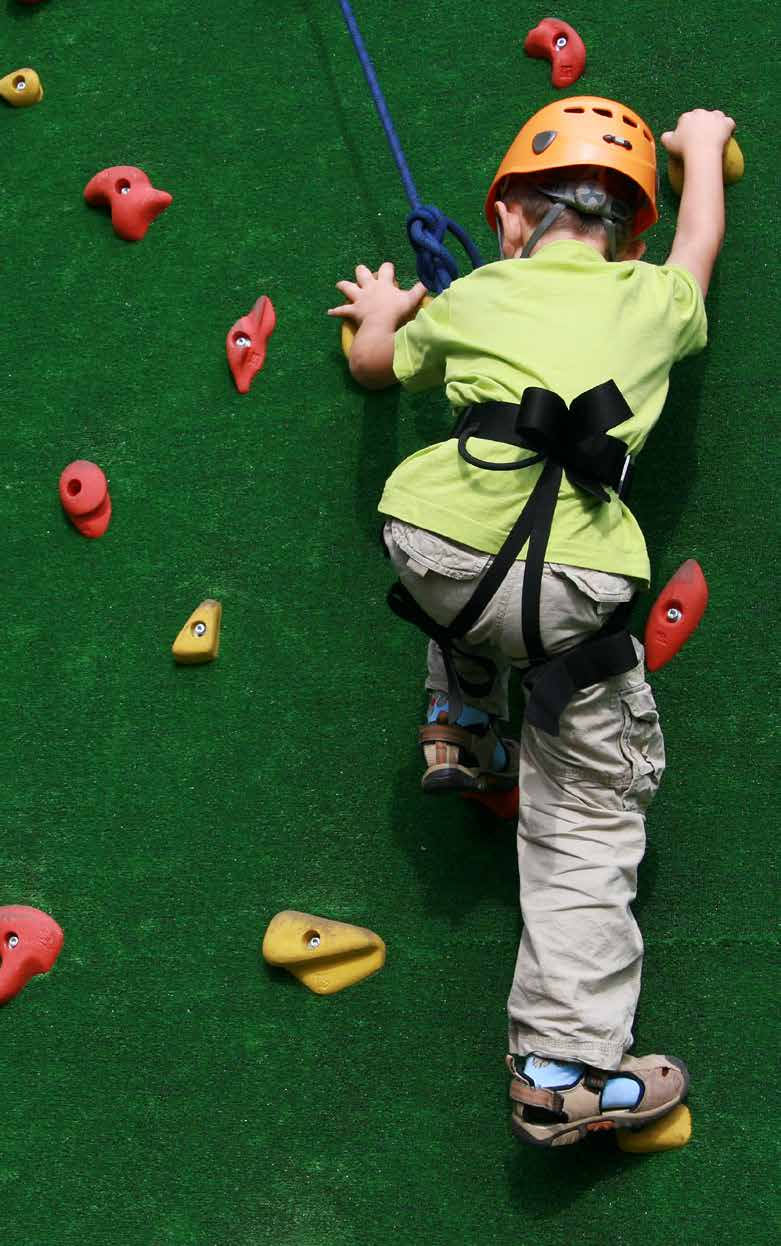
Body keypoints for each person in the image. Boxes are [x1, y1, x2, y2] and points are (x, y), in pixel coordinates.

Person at [327, 97, 736, 1148]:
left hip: (435, 549)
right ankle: (560, 1069)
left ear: (509, 218)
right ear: (628, 236)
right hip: (570, 594)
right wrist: (699, 151)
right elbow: (701, 247)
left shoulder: (473, 296)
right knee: (589, 816)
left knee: (461, 563)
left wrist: (383, 310)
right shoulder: (651, 295)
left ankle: (459, 723)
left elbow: (375, 363)